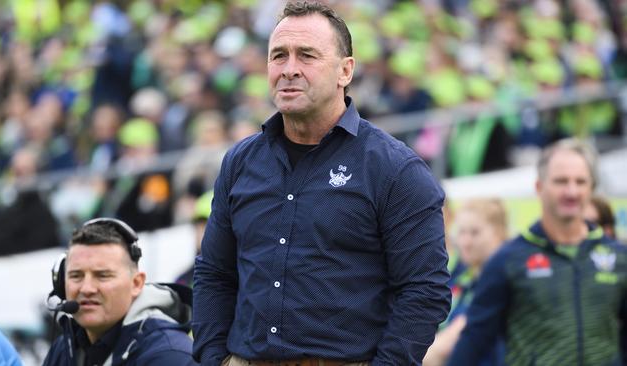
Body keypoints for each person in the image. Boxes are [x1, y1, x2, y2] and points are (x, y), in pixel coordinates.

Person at [192, 2, 450, 365]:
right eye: (278, 56)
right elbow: (214, 273)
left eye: (307, 56)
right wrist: (212, 358)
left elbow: (424, 292)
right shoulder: (240, 162)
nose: (289, 69)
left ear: (345, 70)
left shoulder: (396, 170)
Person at [447, 138, 627, 365]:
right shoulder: (509, 259)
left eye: (580, 182)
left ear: (591, 188)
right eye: (561, 181)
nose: (572, 191)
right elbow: (473, 342)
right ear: (539, 187)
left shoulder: (618, 257)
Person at [43, 218, 196, 366]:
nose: (87, 288)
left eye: (102, 276)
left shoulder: (171, 356)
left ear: (136, 284)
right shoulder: (63, 349)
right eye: (76, 276)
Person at [424, 199, 508, 366]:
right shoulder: (463, 281)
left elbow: (441, 349)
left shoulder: (503, 282)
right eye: (461, 232)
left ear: (499, 233)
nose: (466, 242)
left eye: (475, 233)